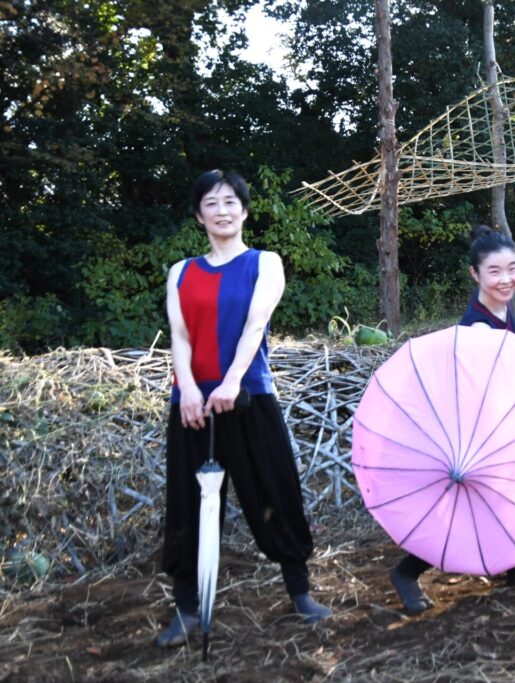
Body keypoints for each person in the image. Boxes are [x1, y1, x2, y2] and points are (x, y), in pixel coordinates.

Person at [155, 170, 331, 648]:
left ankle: (300, 593)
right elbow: (179, 337)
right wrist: (188, 390)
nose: (222, 210)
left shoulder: (265, 263)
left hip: (249, 395)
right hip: (192, 406)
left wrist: (232, 381)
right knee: (187, 504)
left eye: (231, 201)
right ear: (199, 216)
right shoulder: (181, 272)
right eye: (211, 203)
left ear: (245, 211)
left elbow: (256, 326)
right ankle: (187, 608)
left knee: (275, 489)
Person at [387, 224, 515, 615]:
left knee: (506, 496)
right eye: (494, 272)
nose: (506, 279)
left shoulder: (505, 309)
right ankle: (406, 572)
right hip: (474, 429)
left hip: (498, 420)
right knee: (458, 509)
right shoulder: (480, 326)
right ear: (475, 274)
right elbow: (475, 390)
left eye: (512, 268)